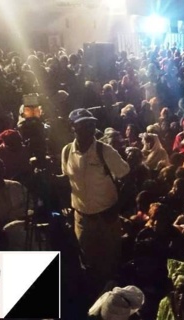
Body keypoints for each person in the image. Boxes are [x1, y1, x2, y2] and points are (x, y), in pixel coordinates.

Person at [61, 108, 130, 295]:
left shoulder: (104, 151)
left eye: (91, 124)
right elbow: (69, 181)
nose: (89, 128)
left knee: (110, 263)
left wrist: (116, 209)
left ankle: (111, 301)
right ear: (73, 127)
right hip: (82, 219)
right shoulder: (67, 151)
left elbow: (128, 177)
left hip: (107, 218)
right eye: (84, 125)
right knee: (88, 264)